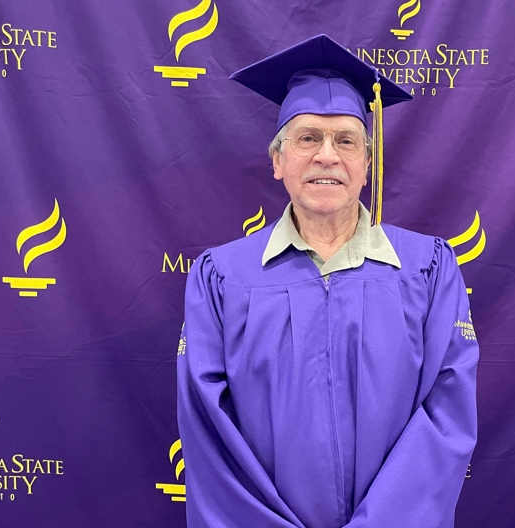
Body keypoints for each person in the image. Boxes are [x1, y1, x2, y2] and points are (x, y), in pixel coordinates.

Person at [177, 34, 479, 528]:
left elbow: (446, 415)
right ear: (278, 161)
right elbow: (208, 433)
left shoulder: (427, 269)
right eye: (307, 138)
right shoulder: (222, 278)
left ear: (366, 165)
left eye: (346, 140)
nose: (327, 155)